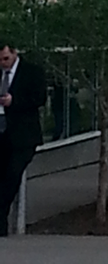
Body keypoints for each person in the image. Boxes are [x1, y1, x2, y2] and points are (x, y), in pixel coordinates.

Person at [0, 41, 47, 236]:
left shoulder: (32, 72)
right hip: (2, 134)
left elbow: (40, 98)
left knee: (12, 175)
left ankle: (1, 212)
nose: (3, 63)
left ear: (14, 54)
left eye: (6, 59)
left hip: (23, 136)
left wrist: (14, 101)